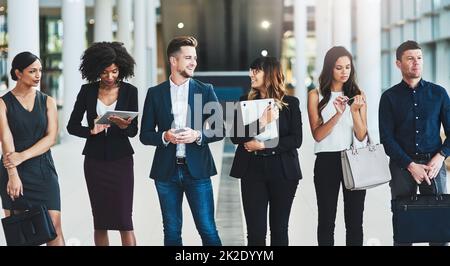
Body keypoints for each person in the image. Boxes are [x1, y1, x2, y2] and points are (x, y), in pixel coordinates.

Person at [140, 36, 223, 246]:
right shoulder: (155, 93)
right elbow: (145, 134)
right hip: (166, 173)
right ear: (173, 61)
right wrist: (164, 136)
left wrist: (198, 135)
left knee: (207, 228)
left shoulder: (205, 90)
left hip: (198, 172)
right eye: (188, 58)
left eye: (194, 57)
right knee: (171, 231)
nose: (193, 62)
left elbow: (220, 129)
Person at [379, 40, 450, 246]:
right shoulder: (389, 97)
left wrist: (440, 157)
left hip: (433, 166)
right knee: (403, 226)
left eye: (419, 58)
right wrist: (410, 165)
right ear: (398, 64)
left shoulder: (439, 93)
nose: (416, 62)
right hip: (402, 166)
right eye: (410, 58)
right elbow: (386, 138)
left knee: (439, 227)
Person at [67, 42, 138, 246]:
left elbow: (134, 131)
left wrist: (123, 126)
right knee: (100, 221)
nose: (109, 77)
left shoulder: (130, 91)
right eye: (105, 72)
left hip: (122, 160)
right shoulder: (87, 91)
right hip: (95, 161)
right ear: (96, 70)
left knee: (125, 221)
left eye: (114, 71)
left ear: (121, 69)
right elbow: (72, 126)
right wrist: (91, 130)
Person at [229, 57, 302, 246]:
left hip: (283, 171)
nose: (251, 74)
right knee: (255, 233)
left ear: (269, 74)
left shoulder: (291, 103)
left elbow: (296, 139)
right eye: (251, 70)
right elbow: (235, 137)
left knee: (279, 230)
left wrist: (263, 145)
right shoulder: (244, 101)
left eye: (256, 71)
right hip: (252, 170)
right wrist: (261, 121)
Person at [0, 52, 65, 245]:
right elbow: (5, 139)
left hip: (43, 169)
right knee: (21, 233)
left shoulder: (48, 101)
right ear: (18, 73)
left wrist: (23, 156)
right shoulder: (2, 103)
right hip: (15, 172)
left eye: (40, 71)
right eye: (32, 71)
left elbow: (51, 137)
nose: (38, 75)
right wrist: (13, 174)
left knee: (54, 227)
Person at [307, 46, 368, 246]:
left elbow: (361, 135)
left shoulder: (358, 94)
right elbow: (317, 135)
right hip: (327, 161)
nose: (344, 72)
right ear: (329, 69)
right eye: (339, 67)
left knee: (355, 222)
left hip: (354, 160)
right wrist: (338, 114)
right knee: (326, 220)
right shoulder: (315, 95)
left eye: (348, 67)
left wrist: (355, 111)